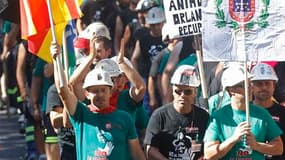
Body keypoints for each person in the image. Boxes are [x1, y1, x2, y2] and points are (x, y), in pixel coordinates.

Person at [51, 41, 146, 159]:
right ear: (87, 94)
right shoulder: (81, 114)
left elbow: (136, 153)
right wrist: (56, 60)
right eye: (95, 91)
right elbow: (64, 89)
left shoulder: (124, 118)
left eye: (103, 90)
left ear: (110, 91)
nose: (100, 94)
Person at [204, 65, 283, 160]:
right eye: (243, 85)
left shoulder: (262, 114)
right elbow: (209, 154)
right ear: (231, 90)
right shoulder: (218, 117)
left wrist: (257, 145)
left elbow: (279, 148)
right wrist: (233, 139)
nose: (249, 88)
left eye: (249, 84)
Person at [144, 65, 209, 160]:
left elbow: (209, 147)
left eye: (187, 92)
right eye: (178, 91)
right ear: (172, 91)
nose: (182, 96)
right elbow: (150, 149)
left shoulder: (203, 116)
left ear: (195, 92)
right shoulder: (159, 115)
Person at [251, 62, 285, 160]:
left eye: (267, 83)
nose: (264, 87)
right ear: (251, 87)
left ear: (274, 86)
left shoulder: (283, 113)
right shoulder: (244, 110)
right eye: (259, 84)